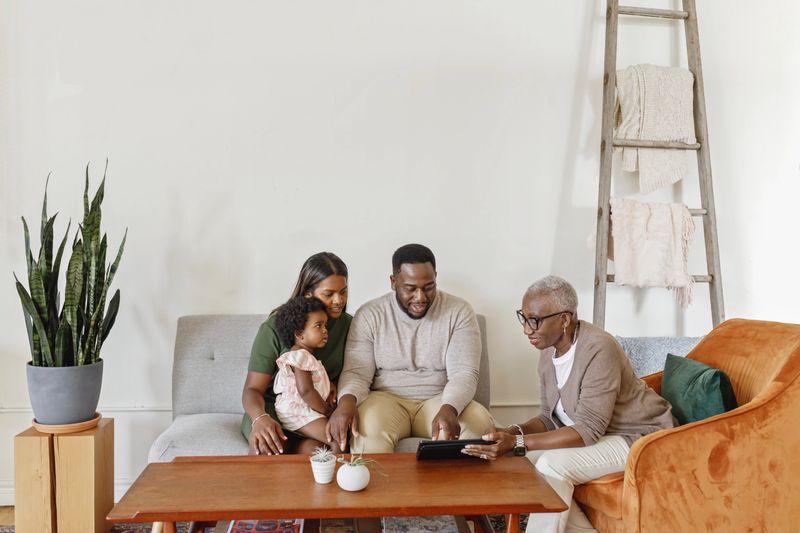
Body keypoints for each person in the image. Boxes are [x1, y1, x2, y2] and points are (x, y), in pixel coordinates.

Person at [463, 276, 675, 533]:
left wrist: (518, 443)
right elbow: (549, 418)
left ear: (564, 319)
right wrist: (513, 432)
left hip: (640, 437)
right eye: (524, 317)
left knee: (552, 466)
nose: (526, 329)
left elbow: (588, 429)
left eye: (535, 320)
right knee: (521, 463)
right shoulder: (547, 350)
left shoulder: (598, 348)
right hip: (604, 435)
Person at [327, 243, 493, 453]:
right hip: (386, 400)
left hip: (440, 398)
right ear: (393, 282)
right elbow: (357, 373)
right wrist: (346, 403)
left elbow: (464, 373)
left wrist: (450, 407)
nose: (420, 297)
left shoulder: (459, 311)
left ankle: (453, 487)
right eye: (410, 288)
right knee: (366, 433)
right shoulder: (370, 314)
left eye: (428, 287)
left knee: (477, 424)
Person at [242, 252, 351, 455]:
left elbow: (356, 372)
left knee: (324, 452)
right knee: (269, 446)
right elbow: (252, 389)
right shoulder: (276, 325)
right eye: (329, 294)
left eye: (343, 291)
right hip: (273, 408)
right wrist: (260, 418)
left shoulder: (349, 325)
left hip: (313, 411)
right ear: (308, 294)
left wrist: (333, 385)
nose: (339, 300)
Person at [272, 296, 343, 453]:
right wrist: (328, 412)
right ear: (299, 334)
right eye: (318, 325)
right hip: (297, 410)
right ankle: (340, 474)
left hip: (303, 409)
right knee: (337, 438)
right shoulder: (301, 356)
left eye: (326, 325)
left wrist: (329, 385)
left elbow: (314, 385)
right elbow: (306, 391)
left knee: (328, 441)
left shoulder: (305, 356)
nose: (325, 330)